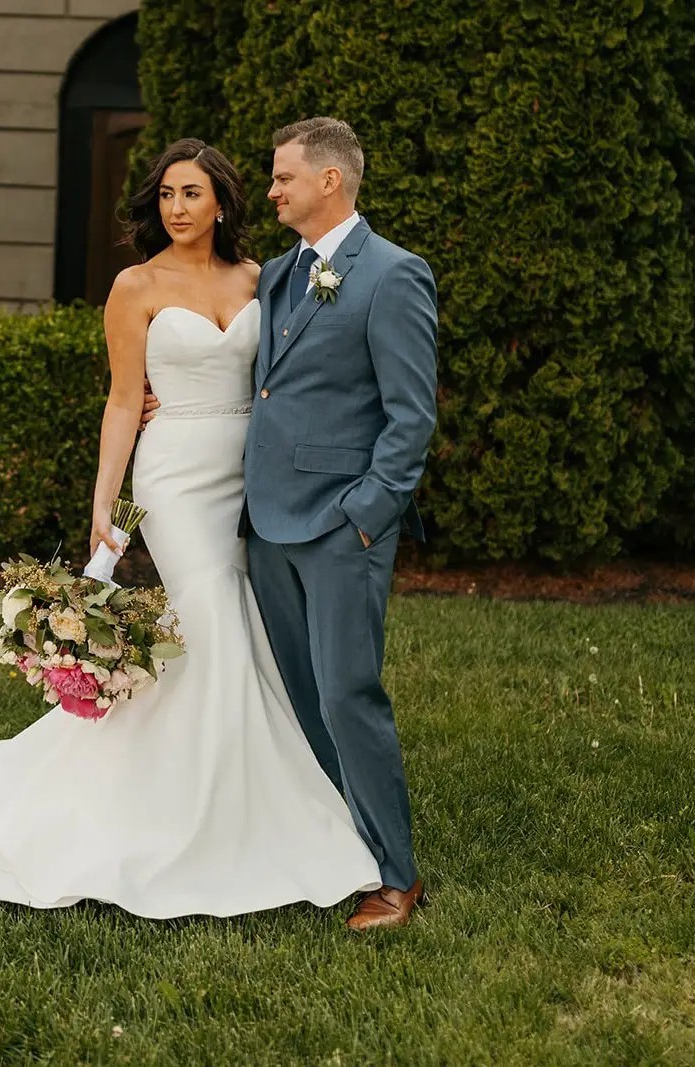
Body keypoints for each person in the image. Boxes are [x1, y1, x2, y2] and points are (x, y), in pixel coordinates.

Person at [0, 138, 382, 921]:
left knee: (234, 628)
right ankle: (205, 815)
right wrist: (105, 506)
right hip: (173, 474)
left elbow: (289, 372)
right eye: (166, 195)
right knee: (209, 618)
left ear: (221, 203)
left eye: (191, 194)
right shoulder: (133, 285)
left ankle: (249, 790)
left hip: (252, 474)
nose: (176, 207)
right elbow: (121, 401)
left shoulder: (262, 278)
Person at [145, 118, 438, 930]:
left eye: (281, 179)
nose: (269, 191)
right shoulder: (276, 275)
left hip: (341, 526)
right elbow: (252, 383)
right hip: (263, 520)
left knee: (348, 695)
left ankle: (396, 874)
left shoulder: (391, 275)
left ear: (329, 183)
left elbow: (410, 419)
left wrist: (366, 517)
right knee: (300, 696)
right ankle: (333, 846)